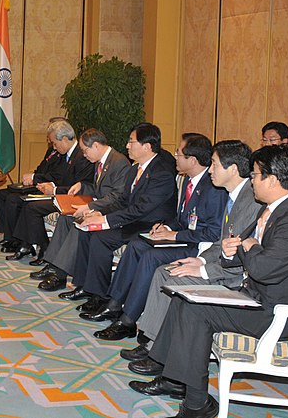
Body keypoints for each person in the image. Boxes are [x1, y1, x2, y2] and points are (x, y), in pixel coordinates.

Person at [129, 144, 288, 418]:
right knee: (186, 299)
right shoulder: (275, 209)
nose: (251, 180)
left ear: (272, 180)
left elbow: (262, 268)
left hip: (279, 313)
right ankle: (174, 379)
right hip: (257, 298)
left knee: (197, 312)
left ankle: (195, 405)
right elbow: (237, 254)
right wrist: (235, 250)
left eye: (255, 175)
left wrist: (248, 247)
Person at [120, 140, 262, 369]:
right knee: (163, 272)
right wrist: (202, 259)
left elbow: (236, 253)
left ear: (233, 169)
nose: (211, 170)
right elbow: (223, 241)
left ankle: (159, 354)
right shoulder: (236, 194)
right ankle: (152, 342)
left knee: (174, 275)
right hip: (217, 261)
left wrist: (204, 269)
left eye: (214, 165)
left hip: (235, 276)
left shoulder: (249, 200)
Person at [89, 134, 226, 341]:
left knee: (151, 256)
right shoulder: (189, 181)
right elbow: (182, 218)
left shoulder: (212, 188)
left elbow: (213, 233)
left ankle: (128, 320)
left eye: (179, 154)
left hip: (199, 248)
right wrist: (166, 227)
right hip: (186, 238)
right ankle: (115, 303)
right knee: (137, 245)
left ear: (193, 160)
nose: (175, 158)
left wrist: (174, 235)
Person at [61, 123, 178, 313]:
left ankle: (101, 296)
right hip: (132, 221)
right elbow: (123, 200)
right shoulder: (135, 169)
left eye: (132, 142)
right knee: (87, 230)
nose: (127, 146)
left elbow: (141, 209)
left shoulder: (161, 173)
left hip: (149, 226)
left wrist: (106, 221)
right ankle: (87, 287)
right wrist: (99, 213)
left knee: (101, 238)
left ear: (147, 146)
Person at [32, 129, 130, 291]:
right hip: (99, 206)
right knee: (65, 218)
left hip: (110, 212)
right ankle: (53, 264)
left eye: (85, 151)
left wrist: (90, 207)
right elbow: (98, 189)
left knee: (80, 224)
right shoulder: (100, 161)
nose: (84, 155)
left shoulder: (119, 162)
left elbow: (117, 196)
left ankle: (60, 274)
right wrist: (82, 186)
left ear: (96, 146)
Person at [6, 120, 94, 262]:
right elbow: (59, 177)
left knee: (32, 208)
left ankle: (43, 248)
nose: (54, 146)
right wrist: (50, 186)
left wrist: (54, 189)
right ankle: (27, 244)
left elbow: (80, 186)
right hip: (60, 194)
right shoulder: (66, 154)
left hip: (74, 199)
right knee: (25, 201)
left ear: (65, 139)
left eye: (55, 143)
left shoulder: (81, 156)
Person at [0, 117, 68, 253]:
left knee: (13, 199)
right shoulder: (51, 150)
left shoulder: (64, 154)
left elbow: (56, 177)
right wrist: (32, 176)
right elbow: (41, 168)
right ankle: (8, 236)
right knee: (0, 195)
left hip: (47, 187)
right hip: (38, 182)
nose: (48, 135)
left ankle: (17, 239)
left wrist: (34, 178)